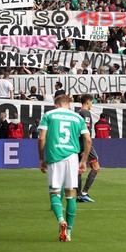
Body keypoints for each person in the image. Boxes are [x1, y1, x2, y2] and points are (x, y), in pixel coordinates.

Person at [38, 94, 91, 242]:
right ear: (68, 104)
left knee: (54, 192)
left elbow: (42, 138)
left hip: (54, 156)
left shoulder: (49, 115)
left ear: (56, 105)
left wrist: (41, 158)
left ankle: (61, 220)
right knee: (70, 194)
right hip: (72, 158)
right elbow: (88, 140)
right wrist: (84, 160)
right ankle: (68, 232)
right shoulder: (77, 118)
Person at [76, 95, 101, 203]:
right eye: (91, 102)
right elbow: (85, 131)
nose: (92, 104)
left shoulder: (77, 113)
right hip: (85, 144)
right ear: (87, 102)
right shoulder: (86, 113)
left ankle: (78, 196)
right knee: (96, 168)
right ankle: (84, 193)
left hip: (77, 144)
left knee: (79, 170)